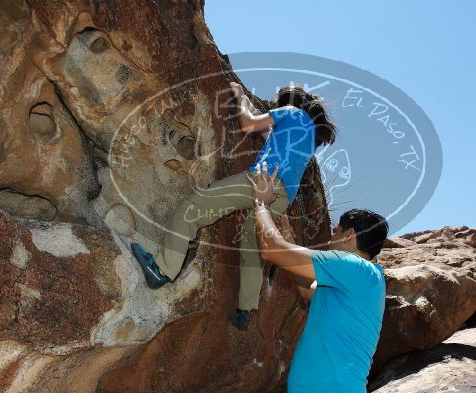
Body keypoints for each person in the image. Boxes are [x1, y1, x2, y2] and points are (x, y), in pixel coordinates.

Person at [246, 165, 388, 393]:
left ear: (350, 234)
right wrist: (286, 228)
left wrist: (261, 205)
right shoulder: (345, 283)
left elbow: (273, 251)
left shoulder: (355, 267)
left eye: (336, 231)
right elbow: (302, 287)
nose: (331, 237)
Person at [130, 83, 337, 330]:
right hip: (283, 196)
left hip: (263, 179)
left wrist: (238, 95)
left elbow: (249, 124)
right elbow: (264, 133)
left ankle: (162, 269)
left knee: (193, 207)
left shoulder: (291, 113)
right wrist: (246, 100)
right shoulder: (308, 135)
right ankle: (245, 309)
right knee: (251, 243)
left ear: (288, 103)